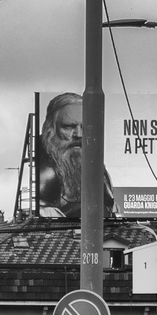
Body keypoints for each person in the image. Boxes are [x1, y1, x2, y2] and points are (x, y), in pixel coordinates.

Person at [37, 92, 113, 220]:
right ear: (51, 129)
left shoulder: (99, 171)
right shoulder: (43, 173)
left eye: (85, 127)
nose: (79, 134)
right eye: (69, 127)